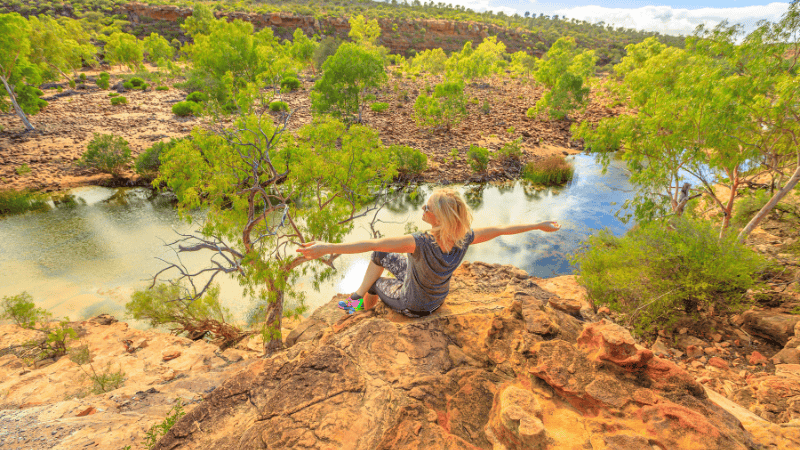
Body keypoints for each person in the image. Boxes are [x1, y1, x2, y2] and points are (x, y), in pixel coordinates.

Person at [296, 188, 561, 317]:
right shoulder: (464, 237)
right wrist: (539, 225)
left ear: (437, 216)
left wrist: (326, 248)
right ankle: (354, 298)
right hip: (437, 300)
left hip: (414, 306)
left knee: (375, 283)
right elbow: (502, 229)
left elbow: (366, 243)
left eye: (427, 207)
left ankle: (362, 313)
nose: (423, 210)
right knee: (381, 256)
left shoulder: (418, 242)